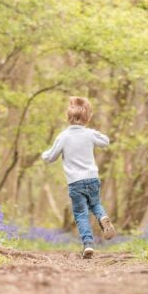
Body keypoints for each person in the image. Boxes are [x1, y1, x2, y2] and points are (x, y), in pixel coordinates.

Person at [42, 96, 116, 258]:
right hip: (92, 178)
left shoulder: (63, 136)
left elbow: (51, 157)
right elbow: (106, 141)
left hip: (75, 182)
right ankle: (103, 217)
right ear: (87, 118)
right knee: (96, 204)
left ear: (68, 117)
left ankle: (88, 244)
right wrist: (93, 132)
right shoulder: (89, 134)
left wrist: (44, 155)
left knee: (81, 213)